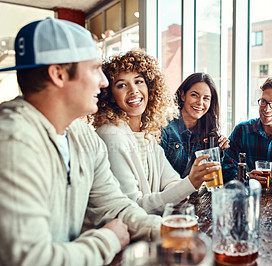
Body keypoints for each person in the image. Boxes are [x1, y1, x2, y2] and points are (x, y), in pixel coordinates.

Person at [0, 18, 161, 266]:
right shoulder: (12, 142)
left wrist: (166, 229)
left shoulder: (83, 136)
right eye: (95, 68)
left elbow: (114, 206)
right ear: (59, 74)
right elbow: (31, 259)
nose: (104, 82)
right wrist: (108, 239)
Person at [92, 51, 220, 215]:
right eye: (122, 85)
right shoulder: (111, 135)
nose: (134, 90)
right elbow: (134, 207)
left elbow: (171, 181)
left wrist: (184, 187)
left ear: (150, 88)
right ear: (109, 95)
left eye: (139, 82)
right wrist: (189, 183)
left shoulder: (146, 135)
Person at [160, 72, 230, 178]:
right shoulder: (165, 127)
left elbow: (212, 177)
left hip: (195, 193)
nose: (200, 102)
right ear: (183, 95)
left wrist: (219, 151)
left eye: (206, 98)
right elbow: (158, 174)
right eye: (194, 95)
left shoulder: (209, 131)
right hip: (168, 193)